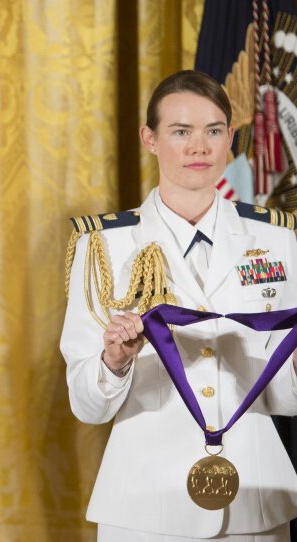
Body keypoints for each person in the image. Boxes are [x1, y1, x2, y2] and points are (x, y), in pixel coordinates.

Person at [61, 69, 297, 541]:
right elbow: (87, 405)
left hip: (253, 501)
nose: (199, 147)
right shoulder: (103, 246)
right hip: (145, 507)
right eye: (180, 131)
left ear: (231, 138)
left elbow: (284, 396)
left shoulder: (277, 238)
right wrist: (114, 361)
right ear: (149, 139)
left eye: (213, 131)